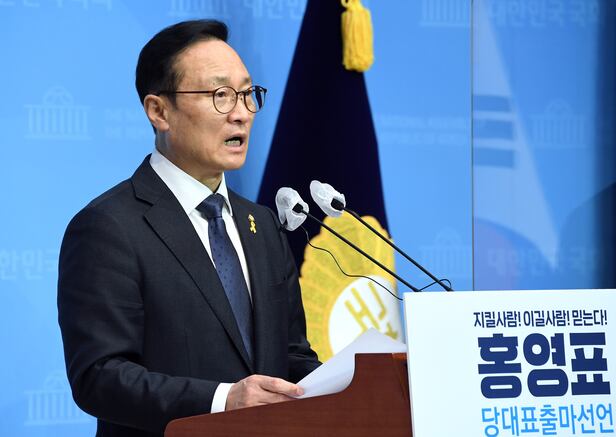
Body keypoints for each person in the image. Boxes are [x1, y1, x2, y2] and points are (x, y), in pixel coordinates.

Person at [57, 19, 320, 437]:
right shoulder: (108, 227)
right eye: (220, 95)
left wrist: (357, 385)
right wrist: (223, 400)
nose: (241, 113)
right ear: (159, 111)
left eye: (247, 94)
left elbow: (292, 357)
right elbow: (100, 376)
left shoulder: (263, 225)